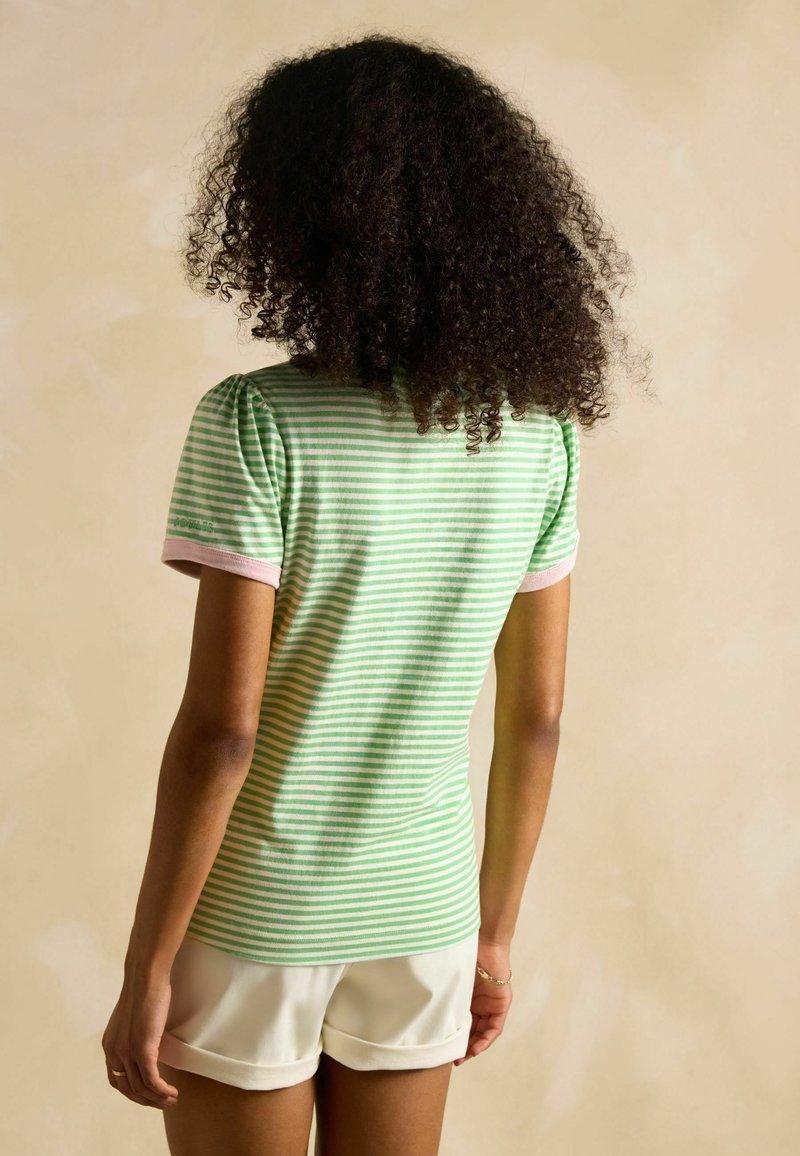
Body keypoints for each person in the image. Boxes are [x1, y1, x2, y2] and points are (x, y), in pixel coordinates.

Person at [101, 31, 647, 1156]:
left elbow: (222, 733)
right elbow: (537, 719)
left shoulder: (256, 422)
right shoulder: (540, 438)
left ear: (292, 218)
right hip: (428, 917)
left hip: (256, 916)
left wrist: (148, 965)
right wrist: (491, 937)